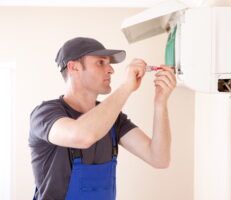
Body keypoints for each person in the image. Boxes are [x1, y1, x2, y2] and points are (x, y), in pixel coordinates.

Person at [29, 37, 176, 200]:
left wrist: (160, 102)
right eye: (100, 63)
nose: (111, 70)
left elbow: (159, 159)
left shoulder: (112, 118)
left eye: (109, 63)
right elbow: (83, 136)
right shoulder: (45, 114)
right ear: (74, 67)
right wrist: (126, 87)